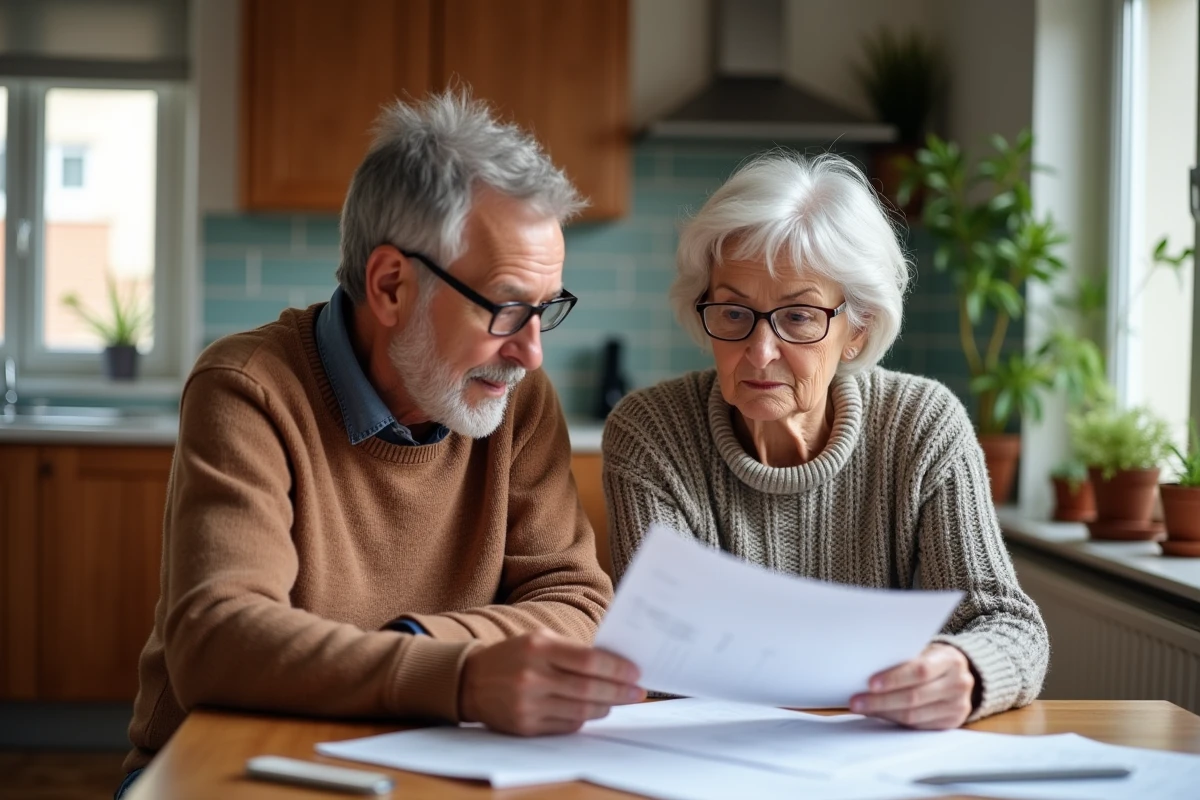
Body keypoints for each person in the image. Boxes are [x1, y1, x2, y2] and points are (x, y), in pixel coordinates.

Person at [117, 92, 642, 796]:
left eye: (546, 310)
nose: (531, 352)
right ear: (391, 285)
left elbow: (577, 601)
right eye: (507, 307)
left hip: (427, 758)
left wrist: (416, 654)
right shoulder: (249, 387)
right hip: (230, 766)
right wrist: (458, 676)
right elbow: (218, 640)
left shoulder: (515, 401)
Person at [602, 152, 1048, 730]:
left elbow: (1008, 624)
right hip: (713, 758)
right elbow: (661, 662)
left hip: (879, 754)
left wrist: (964, 667)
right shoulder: (652, 431)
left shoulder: (922, 424)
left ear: (857, 329)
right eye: (734, 312)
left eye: (800, 317)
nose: (760, 352)